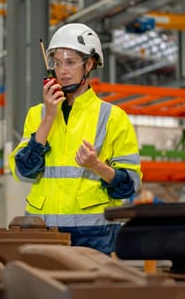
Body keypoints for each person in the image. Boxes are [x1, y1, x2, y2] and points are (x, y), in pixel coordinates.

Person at [9, 23, 142, 254]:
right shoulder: (37, 115)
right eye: (58, 63)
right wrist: (49, 116)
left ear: (89, 64)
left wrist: (97, 165)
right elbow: (24, 172)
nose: (62, 71)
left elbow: (129, 186)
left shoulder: (113, 117)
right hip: (43, 231)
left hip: (95, 235)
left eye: (70, 62)